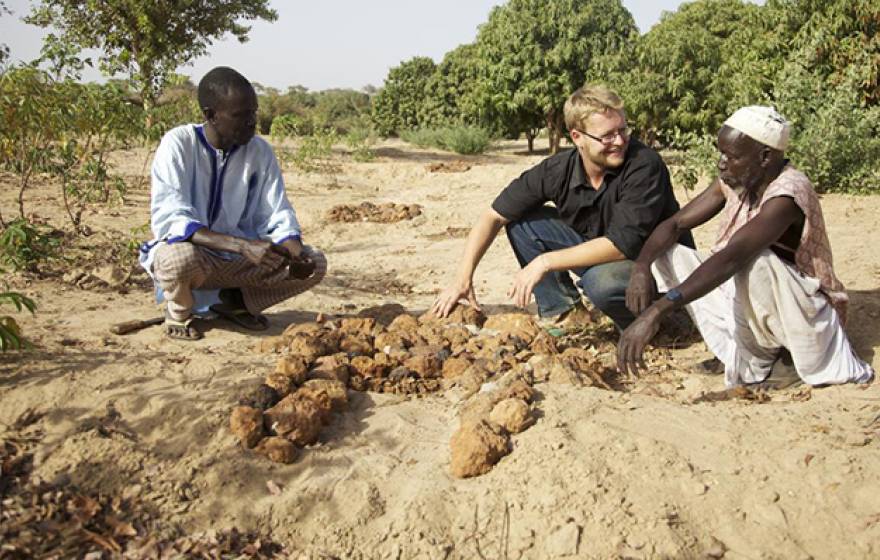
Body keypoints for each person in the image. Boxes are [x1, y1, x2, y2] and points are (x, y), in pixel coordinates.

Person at [617, 106, 874, 388]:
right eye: (722, 154)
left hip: (802, 315)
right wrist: (642, 267)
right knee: (667, 254)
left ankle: (785, 358)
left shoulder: (787, 194)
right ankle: (738, 352)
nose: (722, 163)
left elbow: (733, 257)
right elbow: (676, 225)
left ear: (765, 157)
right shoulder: (735, 181)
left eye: (732, 156)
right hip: (751, 297)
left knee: (755, 260)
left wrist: (657, 310)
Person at [431, 84, 692, 329]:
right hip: (605, 253)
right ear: (577, 137)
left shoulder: (644, 165)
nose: (620, 141)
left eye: (623, 130)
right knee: (523, 224)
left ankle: (656, 322)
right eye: (607, 136)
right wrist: (462, 279)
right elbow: (492, 216)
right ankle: (565, 313)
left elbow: (622, 244)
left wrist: (544, 262)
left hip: (656, 265)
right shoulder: (557, 170)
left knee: (600, 283)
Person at [139, 66, 327, 340]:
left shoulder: (259, 151)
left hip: (240, 261)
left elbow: (276, 213)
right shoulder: (178, 144)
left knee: (317, 263)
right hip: (198, 259)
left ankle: (234, 305)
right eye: (240, 115)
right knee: (177, 258)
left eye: (253, 113)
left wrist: (297, 254)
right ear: (210, 115)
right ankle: (179, 310)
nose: (251, 122)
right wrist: (242, 245)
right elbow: (173, 220)